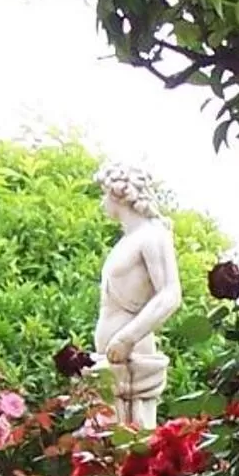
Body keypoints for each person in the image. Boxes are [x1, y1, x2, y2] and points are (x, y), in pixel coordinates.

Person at [92, 162, 181, 430]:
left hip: (132, 356)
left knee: (134, 444)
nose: (102, 202)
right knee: (109, 451)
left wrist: (126, 338)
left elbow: (170, 294)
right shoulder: (129, 240)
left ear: (119, 194)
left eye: (104, 193)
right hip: (112, 362)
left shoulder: (153, 235)